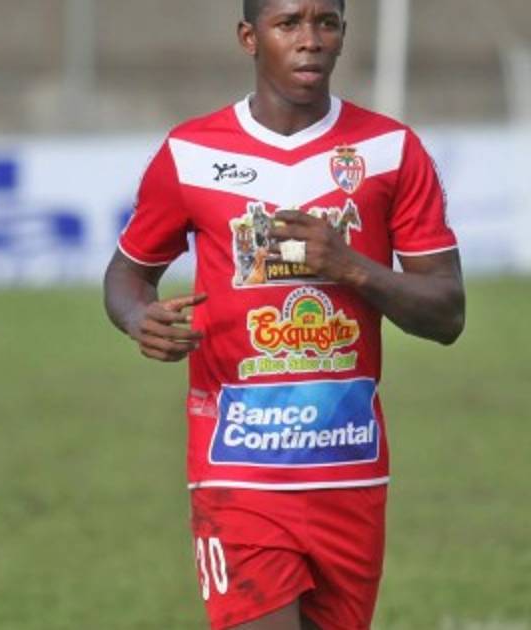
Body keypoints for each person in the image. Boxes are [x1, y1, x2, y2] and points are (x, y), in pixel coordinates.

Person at [103, 1, 465, 628]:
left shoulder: (389, 151)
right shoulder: (191, 153)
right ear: (250, 37)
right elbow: (127, 274)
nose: (310, 40)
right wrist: (139, 318)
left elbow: (447, 312)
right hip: (237, 465)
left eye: (326, 23)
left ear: (344, 35)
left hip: (348, 468)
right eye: (289, 23)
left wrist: (349, 265)